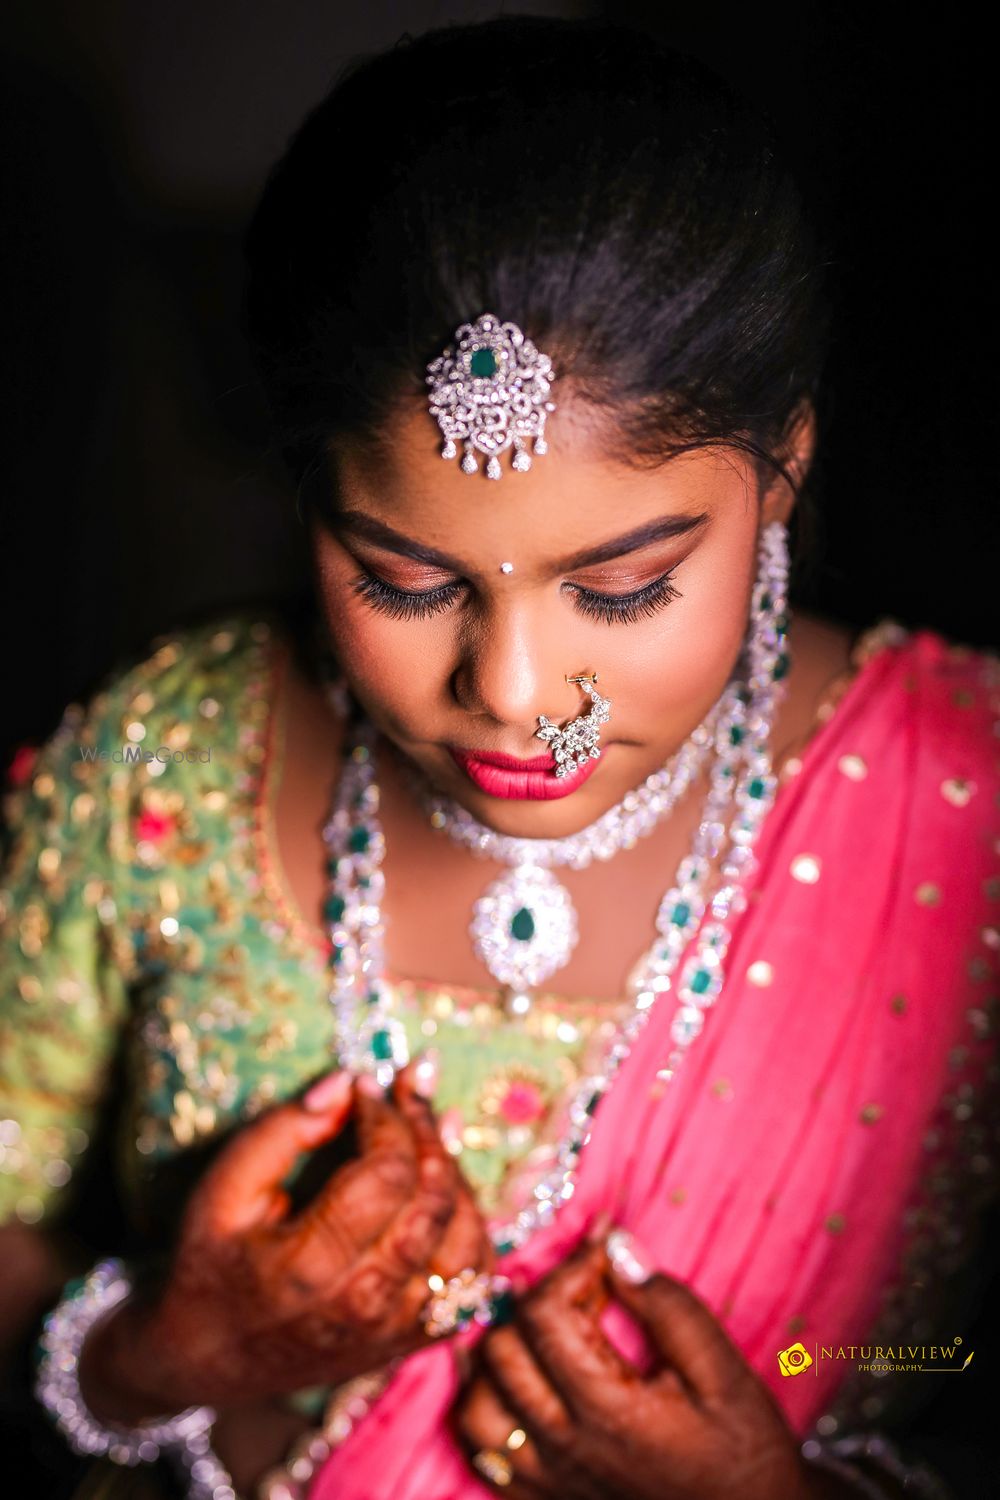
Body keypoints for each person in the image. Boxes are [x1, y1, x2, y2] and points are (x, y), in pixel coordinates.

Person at [1, 14, 997, 1500]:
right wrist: (155, 1353)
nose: (517, 693)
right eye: (405, 579)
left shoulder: (966, 810)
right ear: (307, 494)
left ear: (782, 463)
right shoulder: (161, 764)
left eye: (624, 585)